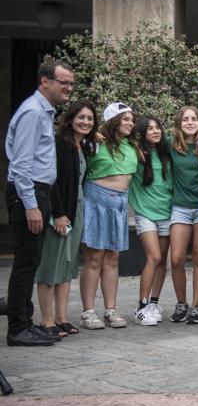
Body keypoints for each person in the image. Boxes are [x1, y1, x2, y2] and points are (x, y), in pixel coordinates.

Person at [6, 59, 73, 346]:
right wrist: (31, 205)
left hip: (39, 192)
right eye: (64, 83)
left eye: (71, 83)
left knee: (31, 261)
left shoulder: (44, 112)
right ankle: (17, 329)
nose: (69, 88)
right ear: (45, 81)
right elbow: (20, 165)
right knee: (25, 262)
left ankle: (25, 322)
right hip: (30, 193)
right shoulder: (33, 113)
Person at [33, 99, 95, 340]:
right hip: (59, 211)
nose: (85, 122)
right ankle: (46, 319)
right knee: (51, 265)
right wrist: (59, 214)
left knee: (68, 267)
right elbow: (53, 181)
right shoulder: (59, 143)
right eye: (81, 117)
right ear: (69, 119)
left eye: (90, 118)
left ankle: (61, 317)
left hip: (77, 209)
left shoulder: (83, 146)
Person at [79, 102, 138, 330]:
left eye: (131, 119)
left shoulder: (132, 146)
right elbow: (67, 137)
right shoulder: (93, 143)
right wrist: (91, 133)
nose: (130, 123)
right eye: (125, 119)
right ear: (113, 121)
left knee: (113, 258)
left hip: (120, 204)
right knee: (94, 258)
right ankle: (88, 311)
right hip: (96, 200)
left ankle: (110, 310)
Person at [166, 106, 198, 325]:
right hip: (180, 208)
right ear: (179, 123)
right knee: (176, 258)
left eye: (194, 118)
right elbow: (145, 142)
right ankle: (181, 303)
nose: (190, 122)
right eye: (185, 119)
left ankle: (196, 306)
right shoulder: (171, 145)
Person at [129, 116, 174, 326]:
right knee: (153, 257)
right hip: (145, 212)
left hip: (166, 212)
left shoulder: (167, 152)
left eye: (158, 127)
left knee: (162, 259)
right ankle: (141, 306)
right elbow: (116, 140)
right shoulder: (137, 153)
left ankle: (154, 303)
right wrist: (134, 144)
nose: (155, 131)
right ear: (141, 133)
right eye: (149, 129)